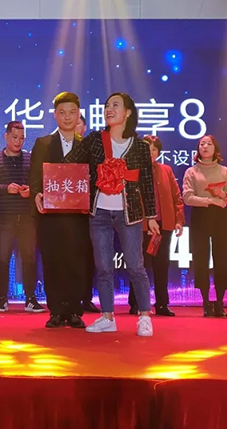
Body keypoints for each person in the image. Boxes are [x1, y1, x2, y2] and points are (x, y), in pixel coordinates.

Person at [66, 93, 158, 337]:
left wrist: (151, 216)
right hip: (99, 213)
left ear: (128, 112)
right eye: (107, 105)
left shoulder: (140, 146)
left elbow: (147, 183)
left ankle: (144, 317)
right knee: (104, 267)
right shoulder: (95, 139)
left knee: (136, 266)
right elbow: (71, 163)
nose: (109, 109)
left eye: (115, 105)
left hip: (130, 214)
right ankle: (107, 316)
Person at [30, 92, 91, 329]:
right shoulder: (43, 143)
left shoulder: (85, 145)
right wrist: (37, 193)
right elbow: (35, 176)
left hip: (78, 217)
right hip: (50, 216)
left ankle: (74, 310)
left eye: (72, 112)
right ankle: (56, 311)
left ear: (79, 115)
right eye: (62, 112)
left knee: (76, 263)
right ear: (55, 115)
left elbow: (91, 177)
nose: (67, 117)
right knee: (53, 262)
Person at [0, 121, 44, 313]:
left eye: (22, 138)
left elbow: (39, 183)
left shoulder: (30, 159)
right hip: (3, 216)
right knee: (2, 258)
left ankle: (31, 298)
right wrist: (6, 189)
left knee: (29, 258)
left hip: (27, 216)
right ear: (6, 136)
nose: (18, 141)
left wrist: (31, 190)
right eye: (14, 137)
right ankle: (2, 299)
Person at [128, 136, 185, 316]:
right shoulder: (133, 170)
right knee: (140, 265)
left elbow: (177, 197)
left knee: (162, 264)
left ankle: (162, 303)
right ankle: (136, 303)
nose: (150, 153)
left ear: (159, 152)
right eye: (147, 149)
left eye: (154, 149)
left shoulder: (166, 170)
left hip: (164, 224)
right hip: (141, 225)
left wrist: (179, 220)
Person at [182, 135, 227, 319]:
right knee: (201, 258)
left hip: (221, 217)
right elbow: (187, 198)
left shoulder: (224, 171)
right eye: (202, 144)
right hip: (200, 216)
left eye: (209, 144)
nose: (205, 147)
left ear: (215, 149)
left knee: (222, 257)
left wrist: (222, 194)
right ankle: (205, 301)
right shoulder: (192, 171)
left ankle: (220, 302)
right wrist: (211, 200)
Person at [76, 113, 100, 314]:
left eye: (78, 123)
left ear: (84, 128)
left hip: (91, 211)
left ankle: (86, 298)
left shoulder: (92, 149)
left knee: (89, 257)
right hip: (67, 211)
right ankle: (68, 297)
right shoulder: (59, 147)